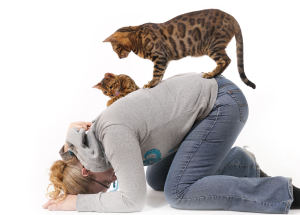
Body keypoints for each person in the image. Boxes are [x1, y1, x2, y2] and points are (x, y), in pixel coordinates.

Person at [42, 73, 299, 213]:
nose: (112, 181)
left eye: (106, 184)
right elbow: (72, 157)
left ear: (86, 169)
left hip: (221, 103)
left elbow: (133, 201)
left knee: (178, 193)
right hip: (207, 101)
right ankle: (241, 165)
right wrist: (67, 147)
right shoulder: (88, 146)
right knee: (157, 179)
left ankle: (282, 193)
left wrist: (77, 203)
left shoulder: (112, 136)